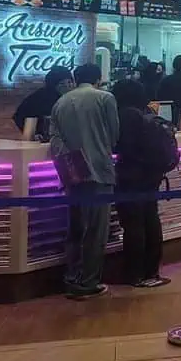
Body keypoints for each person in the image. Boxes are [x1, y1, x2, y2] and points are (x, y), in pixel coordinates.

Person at [50, 63, 120, 300]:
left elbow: (55, 139)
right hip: (100, 169)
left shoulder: (60, 103)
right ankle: (89, 282)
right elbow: (114, 136)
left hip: (73, 172)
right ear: (98, 78)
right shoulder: (105, 98)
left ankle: (72, 277)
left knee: (76, 228)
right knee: (96, 231)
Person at [111, 79, 169, 288]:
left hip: (131, 175)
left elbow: (121, 146)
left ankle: (134, 273)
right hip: (152, 174)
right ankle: (151, 270)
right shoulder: (147, 112)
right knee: (151, 219)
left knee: (133, 224)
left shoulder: (125, 115)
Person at [13, 66, 74, 134]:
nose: (67, 86)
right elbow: (19, 116)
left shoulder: (72, 97)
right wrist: (34, 133)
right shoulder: (39, 97)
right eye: (62, 83)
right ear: (53, 85)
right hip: (44, 137)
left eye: (69, 82)